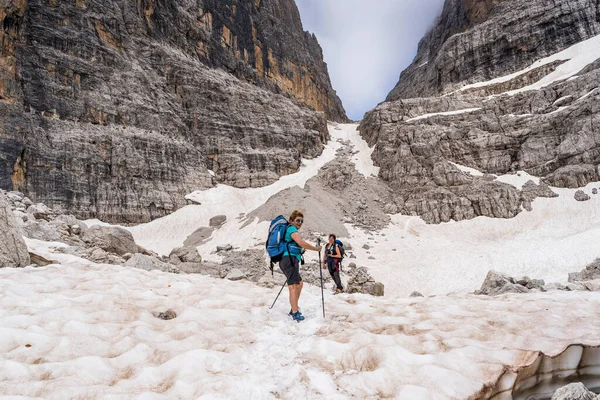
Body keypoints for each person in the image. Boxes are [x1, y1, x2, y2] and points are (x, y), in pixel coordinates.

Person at [280, 210, 322, 322]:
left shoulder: (289, 229)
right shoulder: (291, 228)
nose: (300, 223)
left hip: (289, 259)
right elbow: (301, 242)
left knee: (299, 283)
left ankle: (294, 308)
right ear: (291, 220)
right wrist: (315, 249)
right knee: (293, 286)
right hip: (289, 260)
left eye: (301, 221)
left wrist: (300, 251)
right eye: (297, 220)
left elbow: (295, 245)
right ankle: (295, 313)